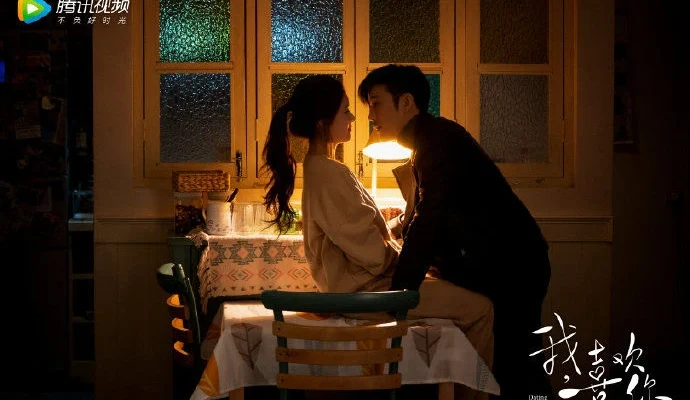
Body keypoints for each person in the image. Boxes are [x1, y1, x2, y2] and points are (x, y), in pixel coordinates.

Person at [262, 75, 495, 399]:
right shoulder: (328, 173)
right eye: (345, 111)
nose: (354, 118)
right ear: (322, 123)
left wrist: (398, 236)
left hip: (364, 286)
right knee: (481, 309)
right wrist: (409, 261)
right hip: (368, 293)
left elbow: (357, 235)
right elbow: (372, 254)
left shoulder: (324, 169)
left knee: (456, 291)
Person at [358, 64, 553, 398]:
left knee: (516, 369)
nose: (370, 115)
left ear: (406, 103)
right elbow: (430, 214)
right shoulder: (429, 140)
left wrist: (400, 291)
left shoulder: (437, 142)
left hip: (514, 266)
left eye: (376, 103)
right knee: (512, 367)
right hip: (507, 262)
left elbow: (430, 217)